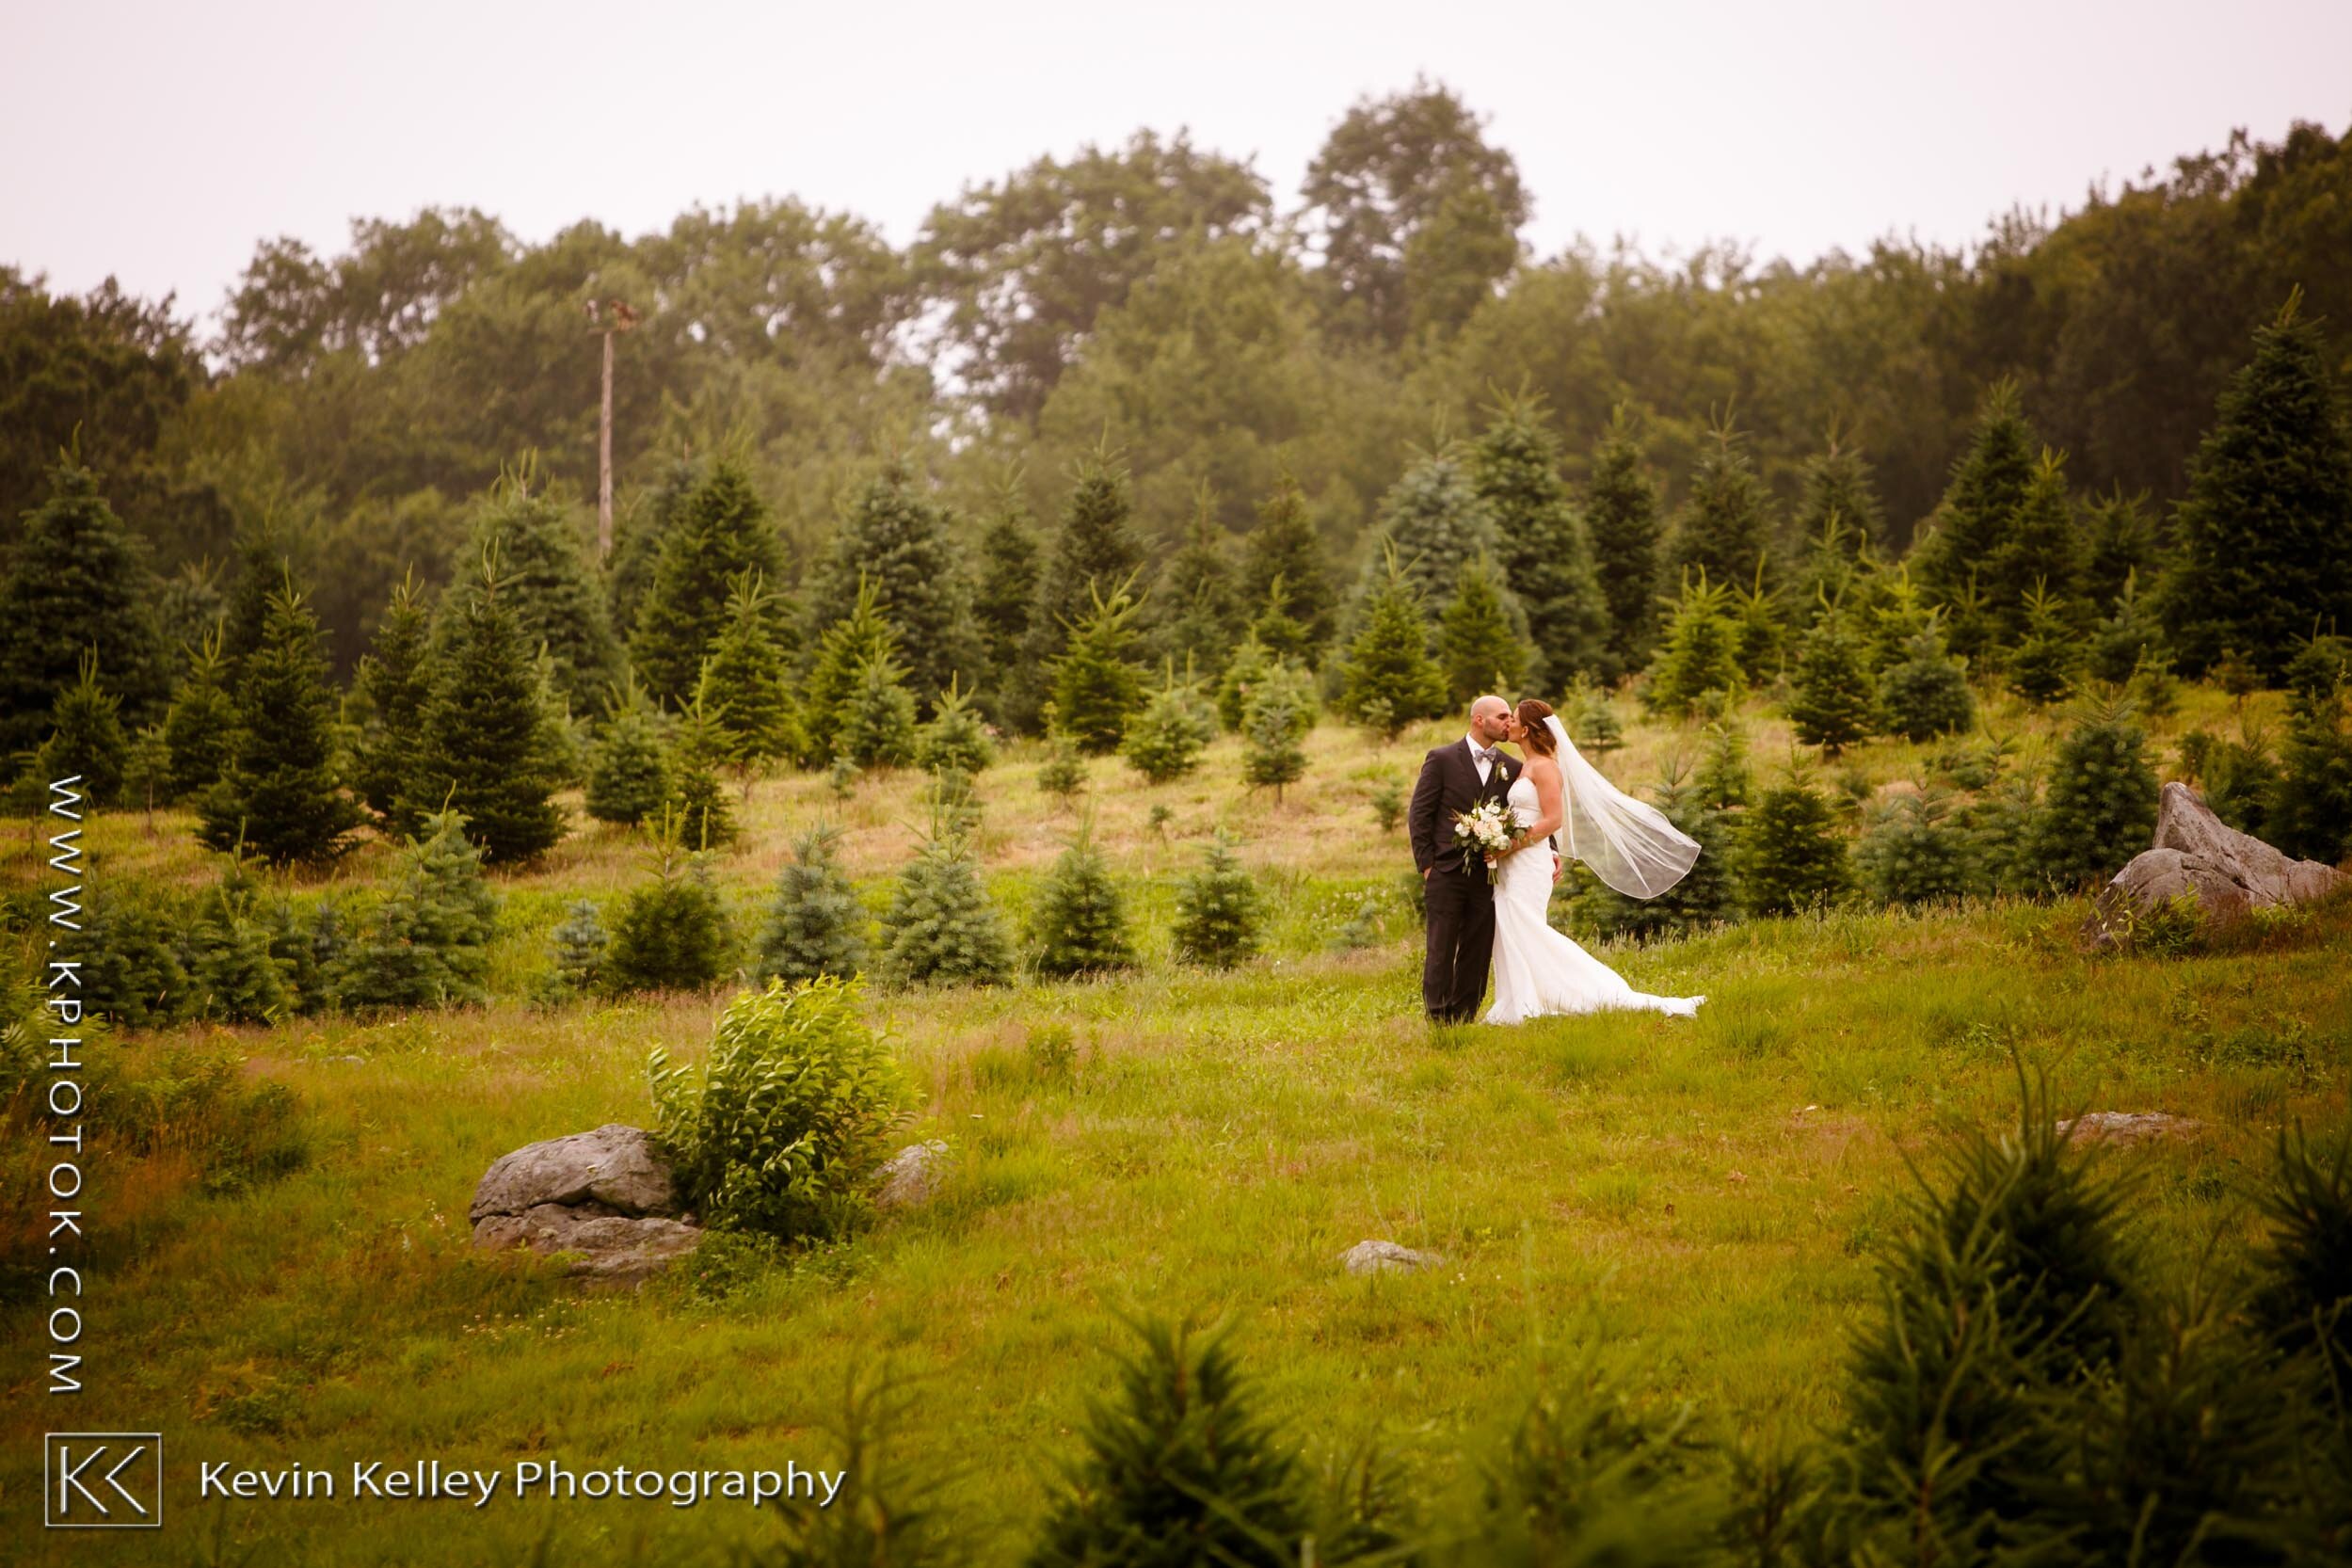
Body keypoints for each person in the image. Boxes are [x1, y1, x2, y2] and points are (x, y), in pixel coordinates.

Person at [1481, 697, 1706, 1023]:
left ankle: (1593, 992)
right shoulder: (1526, 766)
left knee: (1528, 929)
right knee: (1512, 929)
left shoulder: (1544, 767)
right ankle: (1520, 1000)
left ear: (1527, 729)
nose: (1508, 724)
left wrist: (1509, 846)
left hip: (1528, 862)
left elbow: (1553, 820)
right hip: (1514, 863)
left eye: (1513, 719)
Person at [1408, 695, 1532, 1023]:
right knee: (1441, 947)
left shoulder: (1513, 767)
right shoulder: (1442, 759)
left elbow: (1524, 816)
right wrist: (1427, 865)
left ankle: (1463, 1016)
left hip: (1489, 873)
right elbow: (1420, 814)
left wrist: (1547, 850)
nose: (1509, 722)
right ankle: (1438, 1016)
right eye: (1502, 716)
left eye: (1510, 717)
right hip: (1445, 871)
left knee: (1477, 948)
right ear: (1479, 719)